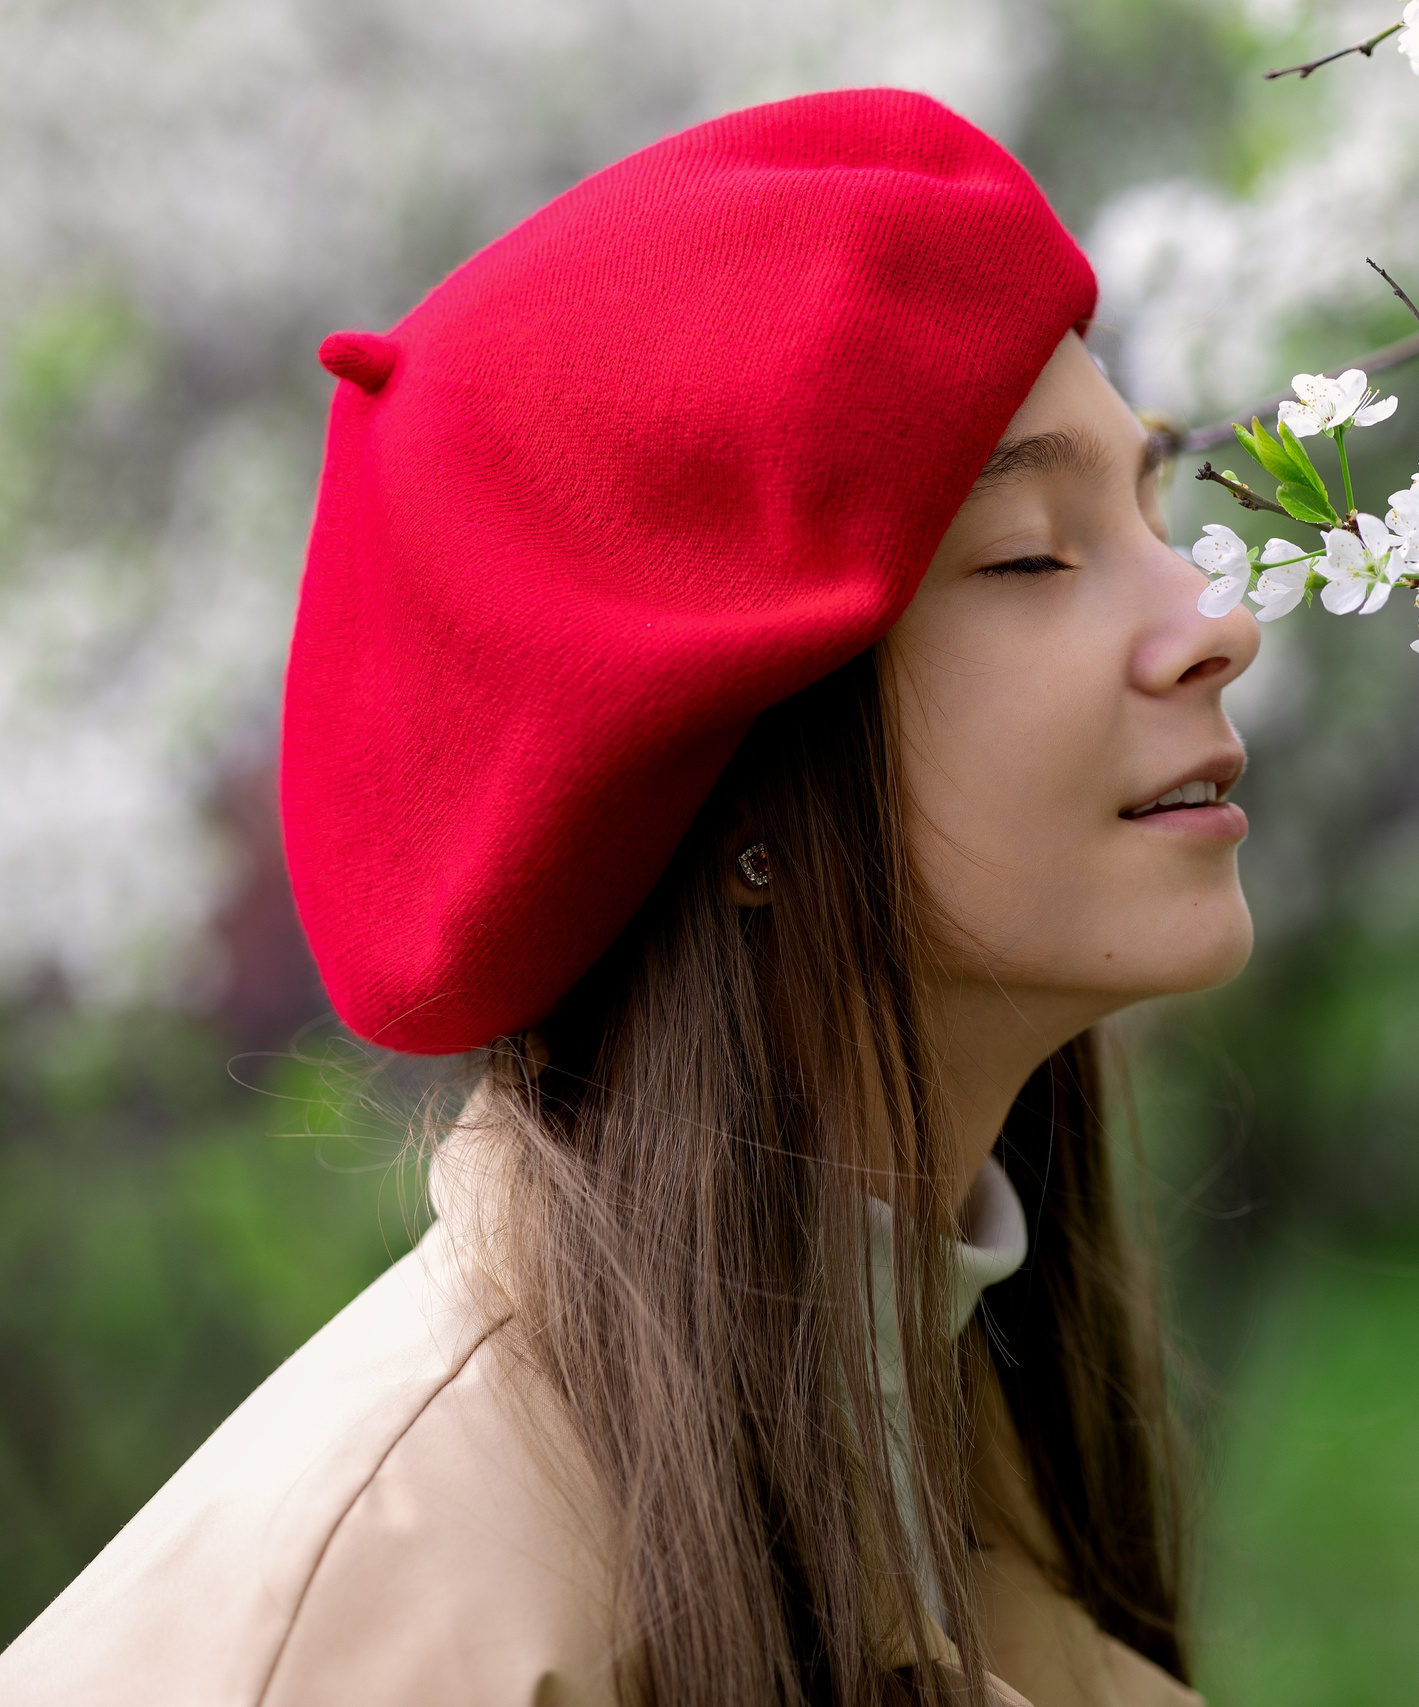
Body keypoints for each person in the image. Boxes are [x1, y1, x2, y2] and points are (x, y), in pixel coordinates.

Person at [0, 88, 1259, 1707]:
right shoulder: (386, 1628)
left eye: (1153, 510)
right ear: (723, 781)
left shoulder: (935, 1453)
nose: (1219, 618)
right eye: (1030, 554)